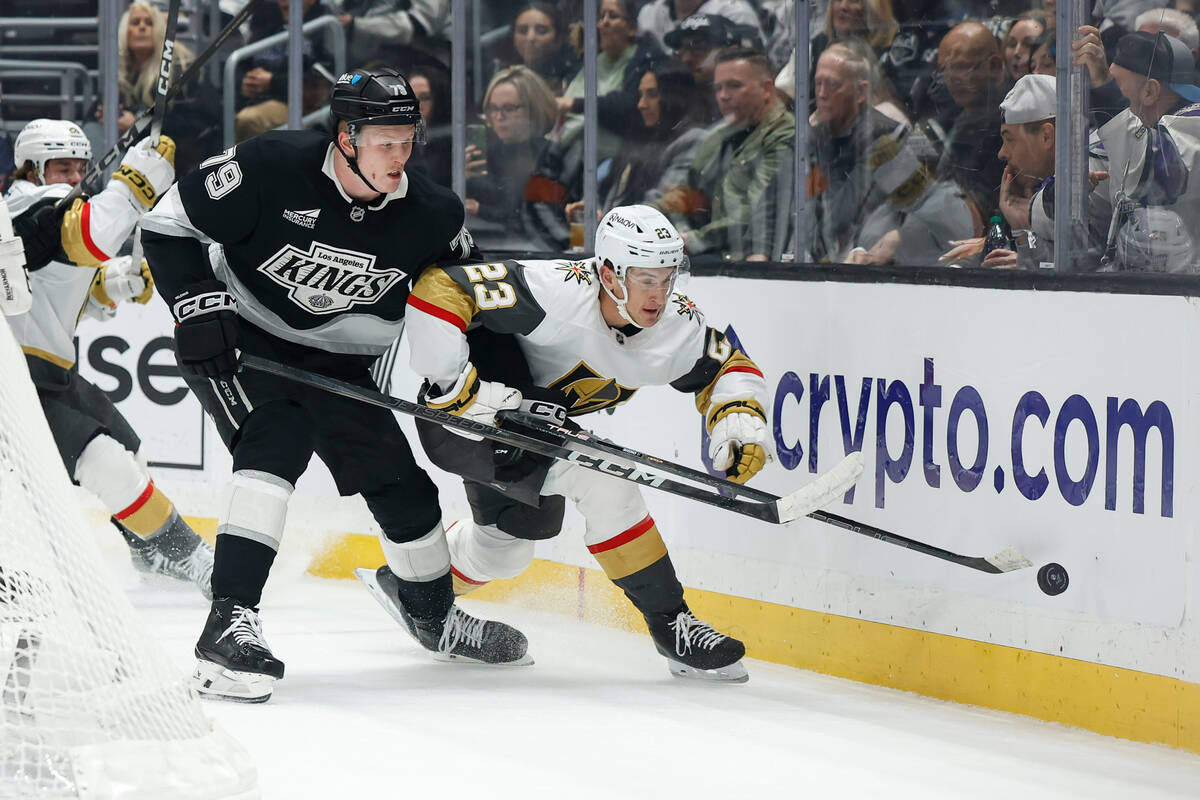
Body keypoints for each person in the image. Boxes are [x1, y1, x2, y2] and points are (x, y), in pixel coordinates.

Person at [140, 67, 528, 703]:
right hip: (245, 343)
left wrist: (506, 393)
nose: (399, 156)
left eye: (407, 139)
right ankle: (228, 626)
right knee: (277, 437)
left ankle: (432, 616)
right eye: (384, 140)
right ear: (345, 136)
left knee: (400, 484)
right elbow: (166, 224)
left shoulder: (433, 215)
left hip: (342, 365)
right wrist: (196, 307)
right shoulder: (269, 166)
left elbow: (473, 306)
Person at [402, 204, 765, 682]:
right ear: (610, 273)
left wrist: (737, 418)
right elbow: (441, 286)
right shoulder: (555, 290)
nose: (658, 295)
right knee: (605, 480)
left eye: (666, 278)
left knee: (503, 551)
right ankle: (672, 625)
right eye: (644, 279)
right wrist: (457, 386)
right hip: (469, 418)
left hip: (536, 430)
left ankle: (412, 588)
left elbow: (727, 365)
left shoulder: (678, 324)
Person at [3, 119, 214, 596]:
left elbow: (55, 287)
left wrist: (111, 284)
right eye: (62, 166)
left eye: (80, 167)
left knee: (131, 451)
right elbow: (92, 235)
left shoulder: (46, 211)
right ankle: (194, 557)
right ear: (31, 170)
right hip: (15, 382)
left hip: (51, 372)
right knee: (108, 465)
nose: (75, 177)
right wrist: (136, 181)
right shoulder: (24, 208)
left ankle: (149, 551)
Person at [655, 47, 796, 261]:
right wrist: (643, 218)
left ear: (767, 88)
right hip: (714, 251)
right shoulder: (720, 133)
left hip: (748, 258)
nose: (723, 96)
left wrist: (693, 240)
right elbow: (682, 193)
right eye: (718, 87)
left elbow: (754, 212)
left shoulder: (785, 134)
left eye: (734, 86)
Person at [1094, 31, 1200, 272]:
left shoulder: (1194, 123)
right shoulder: (1129, 132)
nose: (1111, 90)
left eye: (1116, 83)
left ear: (1150, 92)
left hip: (1189, 294)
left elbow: (1158, 173)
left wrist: (1101, 86)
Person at [929, 22, 1011, 220]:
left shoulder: (1011, 127)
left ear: (995, 66)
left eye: (961, 67)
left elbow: (985, 206)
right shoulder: (949, 114)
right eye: (944, 69)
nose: (951, 78)